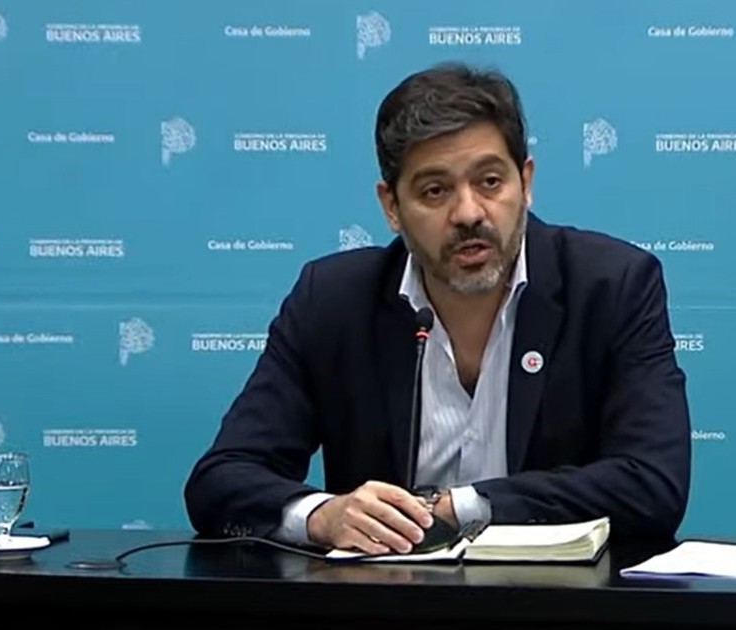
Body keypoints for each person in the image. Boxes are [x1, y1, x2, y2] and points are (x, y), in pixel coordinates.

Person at [184, 61, 692, 555]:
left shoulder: (611, 287)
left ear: (526, 182)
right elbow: (221, 479)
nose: (468, 213)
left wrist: (460, 508)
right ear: (391, 207)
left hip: (558, 598)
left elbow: (651, 485)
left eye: (490, 182)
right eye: (435, 190)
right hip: (389, 599)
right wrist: (322, 517)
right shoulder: (333, 301)